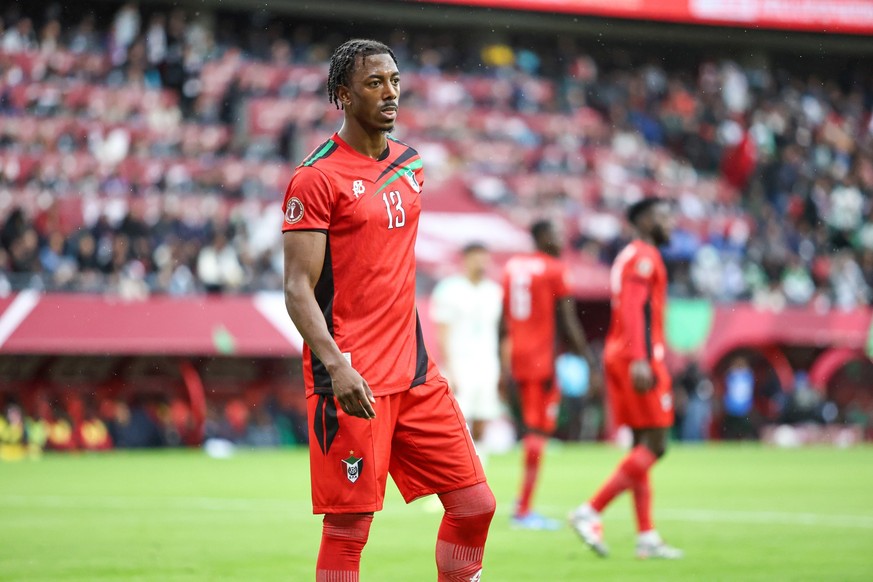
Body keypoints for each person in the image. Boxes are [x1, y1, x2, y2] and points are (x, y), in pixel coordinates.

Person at [281, 39, 494, 582]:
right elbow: (297, 289)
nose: (390, 92)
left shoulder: (411, 164)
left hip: (416, 374)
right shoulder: (315, 178)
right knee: (348, 530)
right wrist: (336, 365)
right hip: (352, 378)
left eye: (394, 81)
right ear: (344, 95)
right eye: (374, 82)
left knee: (475, 505)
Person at [569, 197, 683, 559]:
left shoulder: (629, 255)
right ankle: (590, 510)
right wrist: (642, 358)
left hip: (623, 354)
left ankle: (646, 536)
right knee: (657, 445)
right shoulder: (645, 255)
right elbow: (634, 308)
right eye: (665, 217)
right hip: (639, 356)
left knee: (640, 444)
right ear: (646, 219)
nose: (671, 224)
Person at [502, 220, 597, 529]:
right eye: (555, 234)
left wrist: (502, 362)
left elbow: (502, 319)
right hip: (540, 359)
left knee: (534, 429)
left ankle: (523, 503)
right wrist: (589, 360)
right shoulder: (555, 269)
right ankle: (524, 508)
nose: (560, 239)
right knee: (537, 431)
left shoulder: (513, 267)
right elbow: (568, 320)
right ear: (541, 237)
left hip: (518, 355)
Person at [430, 243, 503, 464]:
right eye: (476, 258)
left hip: (487, 364)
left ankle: (479, 470)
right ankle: (455, 469)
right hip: (460, 364)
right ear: (465, 260)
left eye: (484, 258)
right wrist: (449, 369)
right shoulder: (450, 290)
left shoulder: (494, 292)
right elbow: (442, 333)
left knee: (483, 419)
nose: (481, 263)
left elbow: (499, 333)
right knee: (457, 421)